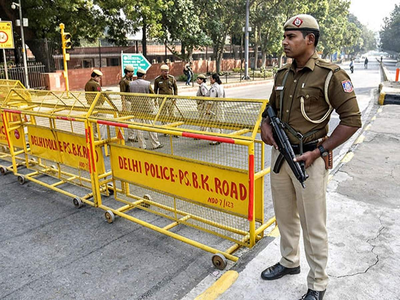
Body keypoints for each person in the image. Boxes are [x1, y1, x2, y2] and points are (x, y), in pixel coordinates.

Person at [260, 14, 361, 300]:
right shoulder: (281, 75)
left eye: (291, 37)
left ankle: (317, 283)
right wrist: (265, 126)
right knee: (284, 217)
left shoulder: (331, 75)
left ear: (310, 40)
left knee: (313, 224)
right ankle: (289, 262)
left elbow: (352, 120)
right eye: (284, 36)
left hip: (311, 158)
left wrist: (322, 150)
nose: (284, 42)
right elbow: (270, 109)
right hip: (281, 157)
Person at [129, 68, 164, 150]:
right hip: (146, 108)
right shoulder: (147, 83)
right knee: (150, 126)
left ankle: (142, 145)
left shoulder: (131, 84)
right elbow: (153, 94)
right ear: (144, 75)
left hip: (135, 108)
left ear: (137, 75)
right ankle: (155, 143)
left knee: (139, 128)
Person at [154, 64, 179, 132]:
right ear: (161, 71)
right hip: (161, 99)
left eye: (167, 71)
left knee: (172, 114)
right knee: (163, 114)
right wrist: (155, 100)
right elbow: (155, 90)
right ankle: (165, 129)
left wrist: (175, 98)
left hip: (170, 99)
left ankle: (174, 129)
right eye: (165, 71)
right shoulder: (157, 80)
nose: (166, 72)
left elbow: (175, 89)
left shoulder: (172, 78)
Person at [84, 69, 107, 139]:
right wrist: (103, 101)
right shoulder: (95, 84)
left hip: (90, 105)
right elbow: (100, 95)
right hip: (97, 105)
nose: (99, 79)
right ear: (95, 76)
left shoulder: (87, 83)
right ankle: (102, 138)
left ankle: (93, 137)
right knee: (101, 122)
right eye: (99, 77)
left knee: (93, 122)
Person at [119, 65, 138, 142]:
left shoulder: (131, 79)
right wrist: (123, 105)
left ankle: (133, 135)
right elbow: (122, 94)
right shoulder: (123, 81)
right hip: (127, 101)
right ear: (127, 72)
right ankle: (131, 136)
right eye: (131, 72)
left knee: (134, 118)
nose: (133, 73)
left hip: (132, 101)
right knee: (130, 120)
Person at [207, 73, 225, 145]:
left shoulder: (214, 88)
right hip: (220, 105)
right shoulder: (221, 87)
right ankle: (221, 138)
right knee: (220, 121)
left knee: (213, 122)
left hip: (214, 106)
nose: (210, 80)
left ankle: (215, 139)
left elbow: (211, 100)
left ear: (214, 80)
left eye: (211, 79)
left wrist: (208, 109)